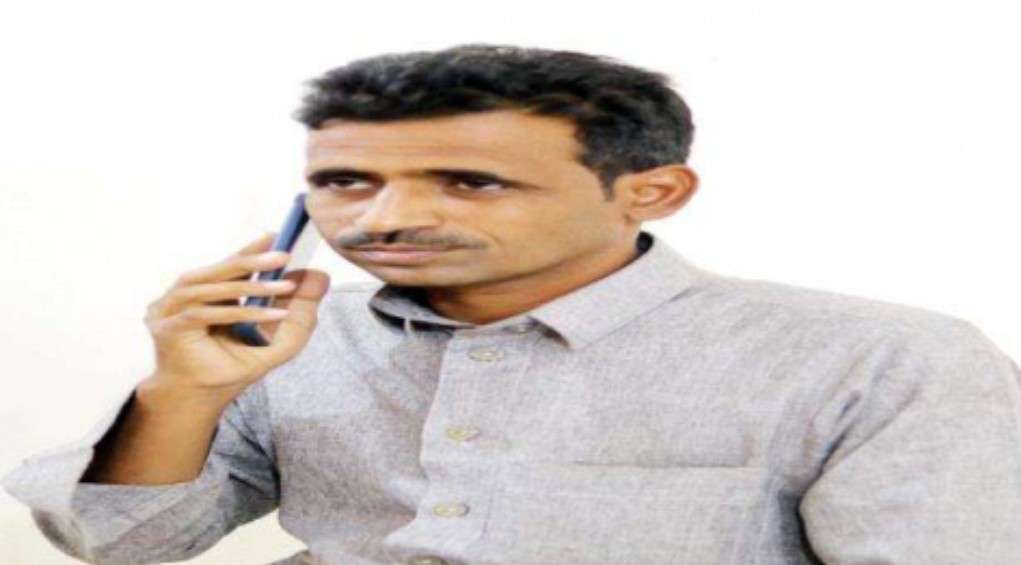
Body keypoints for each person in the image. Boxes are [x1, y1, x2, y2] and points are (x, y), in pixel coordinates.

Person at [4, 43, 1021, 565]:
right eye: (346, 181)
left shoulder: (882, 360)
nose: (389, 216)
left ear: (651, 191)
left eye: (470, 181)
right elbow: (122, 544)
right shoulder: (288, 339)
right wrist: (182, 390)